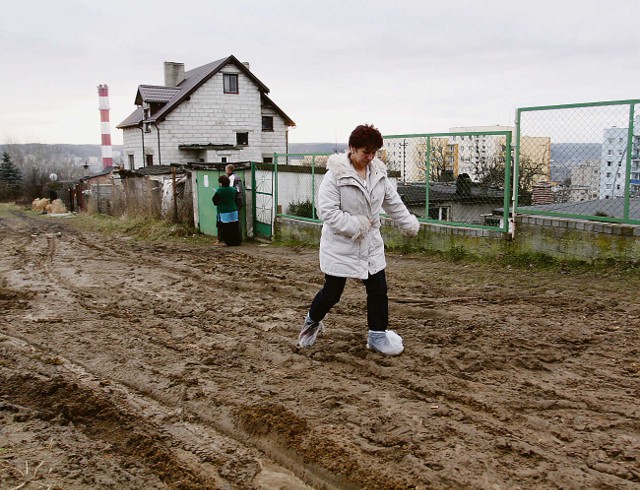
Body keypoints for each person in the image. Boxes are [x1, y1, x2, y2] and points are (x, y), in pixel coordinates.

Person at [297, 124, 419, 356]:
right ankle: (311, 324)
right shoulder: (335, 176)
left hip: (370, 245)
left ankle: (377, 336)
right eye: (366, 152)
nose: (370, 157)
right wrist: (357, 225)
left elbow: (392, 202)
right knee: (332, 293)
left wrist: (407, 223)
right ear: (352, 148)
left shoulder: (378, 173)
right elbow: (327, 212)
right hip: (340, 246)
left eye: (374, 152)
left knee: (378, 289)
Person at [212, 175, 241, 246]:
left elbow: (214, 200)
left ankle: (228, 242)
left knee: (226, 227)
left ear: (221, 183)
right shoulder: (233, 189)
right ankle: (237, 241)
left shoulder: (219, 191)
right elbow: (236, 199)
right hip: (234, 210)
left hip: (224, 211)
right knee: (234, 226)